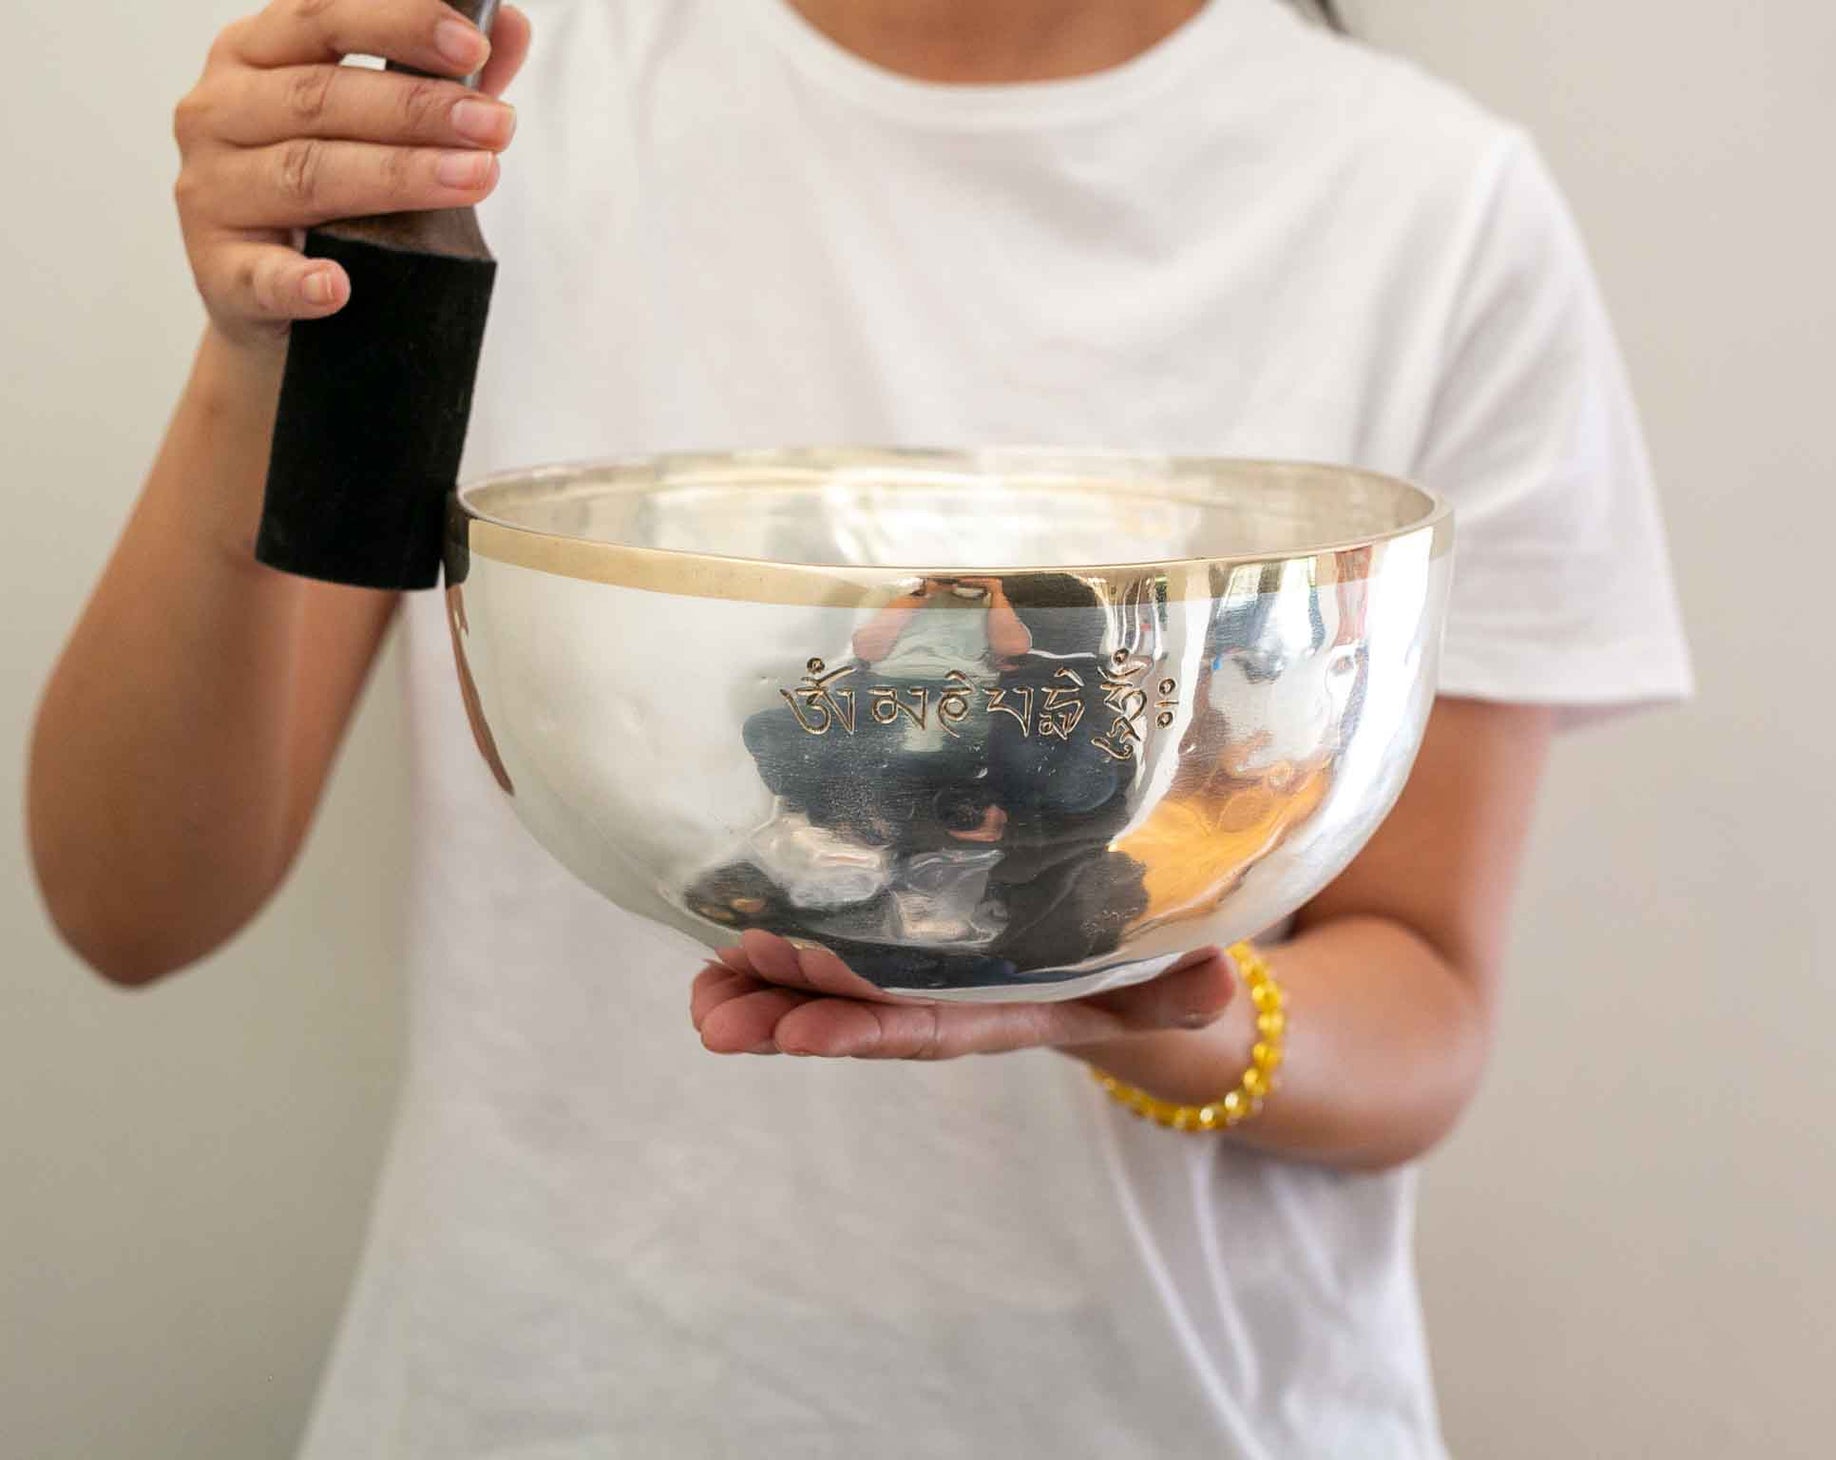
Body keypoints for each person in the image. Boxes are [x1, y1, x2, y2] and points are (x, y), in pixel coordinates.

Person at [26, 0, 1693, 1454]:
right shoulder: (484, 129)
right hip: (548, 1402)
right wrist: (263, 343)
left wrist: (1142, 1009)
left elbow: (1420, 1008)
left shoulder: (1430, 206)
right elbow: (132, 900)